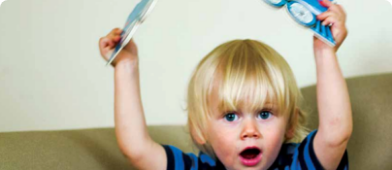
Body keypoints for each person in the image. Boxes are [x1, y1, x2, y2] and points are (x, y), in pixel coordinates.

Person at [98, 0, 351, 169]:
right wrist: (126, 66)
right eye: (230, 116)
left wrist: (324, 51)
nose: (249, 130)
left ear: (290, 124)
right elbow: (137, 149)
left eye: (265, 113)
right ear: (200, 130)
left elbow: (335, 135)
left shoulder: (297, 163)